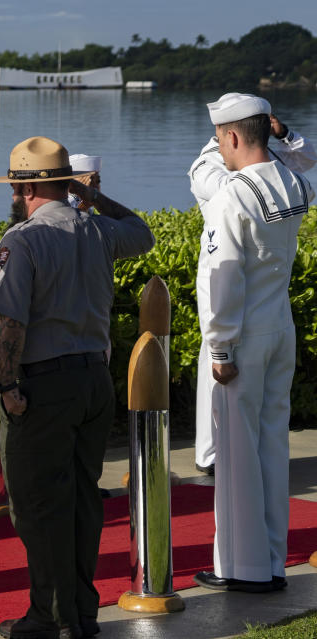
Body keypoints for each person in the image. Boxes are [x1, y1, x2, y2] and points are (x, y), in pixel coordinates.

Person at [0, 136, 154, 639]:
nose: (14, 193)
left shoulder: (25, 239)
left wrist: (8, 384)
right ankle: (79, 611)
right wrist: (92, 197)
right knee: (81, 501)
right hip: (92, 381)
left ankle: (51, 617)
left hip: (46, 386)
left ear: (27, 186)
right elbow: (141, 232)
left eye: (17, 184)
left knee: (38, 503)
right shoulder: (97, 230)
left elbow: (8, 321)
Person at [191, 94, 314, 594]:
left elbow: (220, 279)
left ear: (234, 136)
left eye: (220, 137)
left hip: (242, 335)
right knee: (271, 448)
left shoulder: (231, 193)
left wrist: (218, 349)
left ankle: (241, 568)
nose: (219, 147)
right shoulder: (293, 182)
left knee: (238, 457)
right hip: (278, 327)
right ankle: (271, 560)